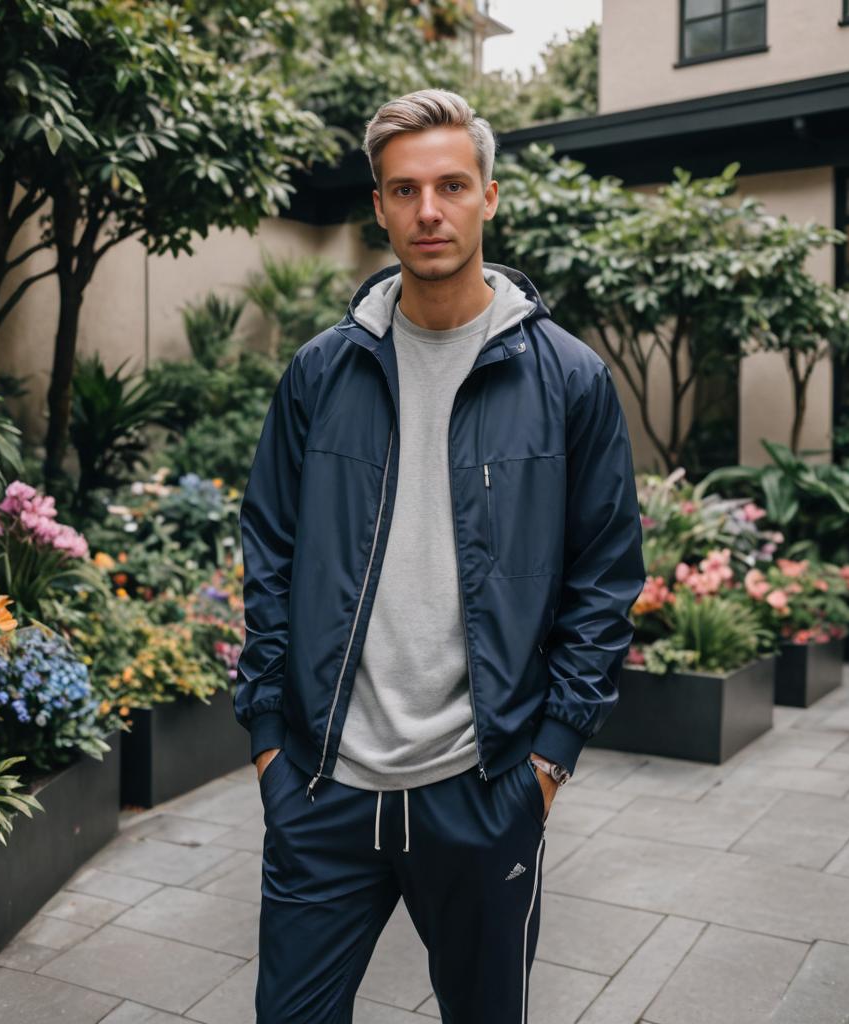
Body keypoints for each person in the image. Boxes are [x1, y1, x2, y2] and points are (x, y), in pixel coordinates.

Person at [235, 88, 646, 1024]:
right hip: (320, 788)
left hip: (483, 789)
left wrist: (547, 764)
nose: (430, 210)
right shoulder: (320, 372)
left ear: (489, 197)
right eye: (406, 188)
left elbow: (604, 575)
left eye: (452, 185)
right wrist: (266, 737)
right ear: (379, 206)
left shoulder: (569, 379)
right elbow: (269, 549)